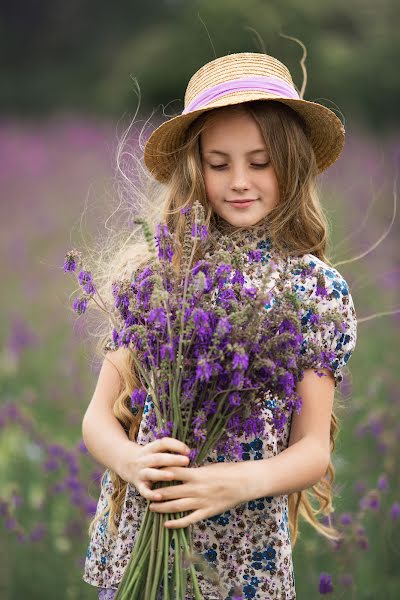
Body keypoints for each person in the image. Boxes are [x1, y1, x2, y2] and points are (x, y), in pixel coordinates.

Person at [81, 52, 358, 599]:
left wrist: (235, 483)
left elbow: (311, 449)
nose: (239, 182)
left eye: (260, 162)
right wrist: (132, 462)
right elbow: (96, 419)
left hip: (244, 554)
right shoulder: (161, 273)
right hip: (145, 535)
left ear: (292, 164)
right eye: (218, 163)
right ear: (194, 167)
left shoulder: (317, 291)